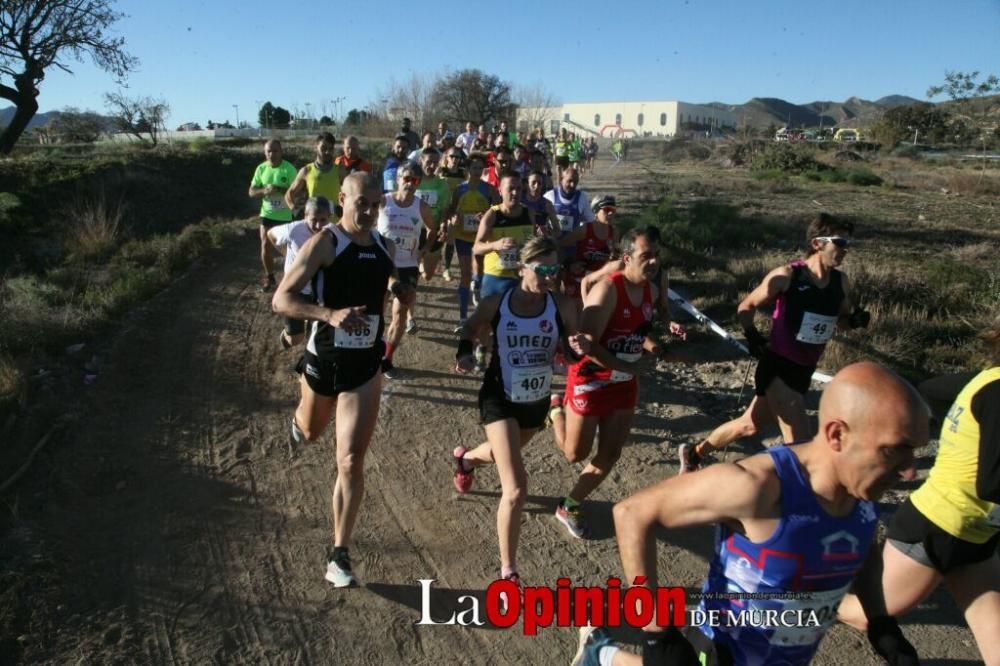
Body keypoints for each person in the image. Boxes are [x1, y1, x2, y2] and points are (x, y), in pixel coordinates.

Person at [573, 362, 928, 666]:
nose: (910, 471)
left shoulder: (863, 488)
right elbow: (632, 513)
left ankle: (598, 653)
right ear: (837, 434)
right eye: (896, 450)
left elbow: (860, 547)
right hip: (717, 650)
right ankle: (601, 653)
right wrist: (656, 633)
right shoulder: (758, 487)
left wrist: (881, 621)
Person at [271, 172, 412, 588]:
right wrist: (328, 315)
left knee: (350, 461)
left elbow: (386, 276)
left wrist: (400, 289)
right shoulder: (326, 243)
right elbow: (282, 298)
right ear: (343, 200)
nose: (367, 210)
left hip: (364, 368)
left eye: (374, 203)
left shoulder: (386, 245)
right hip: (323, 360)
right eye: (359, 202)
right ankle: (299, 422)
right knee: (312, 432)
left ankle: (340, 554)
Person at [838, 315, 1000, 665]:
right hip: (937, 527)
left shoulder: (987, 381)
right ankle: (797, 594)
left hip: (976, 535)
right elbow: (992, 483)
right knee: (863, 614)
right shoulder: (997, 390)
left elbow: (929, 389)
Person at [679, 213, 870, 474]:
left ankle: (693, 453)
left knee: (748, 425)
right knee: (801, 446)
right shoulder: (787, 276)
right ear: (817, 243)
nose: (845, 249)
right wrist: (753, 336)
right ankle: (781, 498)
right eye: (840, 242)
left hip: (804, 370)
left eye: (847, 243)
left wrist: (855, 320)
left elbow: (842, 321)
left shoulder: (841, 283)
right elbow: (746, 306)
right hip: (778, 368)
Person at [451, 236, 580, 602]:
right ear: (522, 268)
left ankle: (465, 459)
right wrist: (464, 353)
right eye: (542, 269)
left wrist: (573, 351)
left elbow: (572, 353)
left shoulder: (564, 306)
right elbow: (472, 328)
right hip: (499, 398)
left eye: (555, 269)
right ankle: (509, 572)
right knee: (517, 486)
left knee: (498, 453)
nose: (550, 276)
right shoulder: (498, 303)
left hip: (535, 402)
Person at [553, 227, 685, 538]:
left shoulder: (651, 290)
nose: (652, 261)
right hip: (592, 379)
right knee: (575, 454)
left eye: (656, 255)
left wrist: (657, 349)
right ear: (627, 258)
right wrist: (627, 365)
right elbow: (588, 345)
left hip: (625, 382)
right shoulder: (608, 290)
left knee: (610, 454)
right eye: (645, 256)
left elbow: (637, 333)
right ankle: (555, 411)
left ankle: (569, 504)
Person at [377, 163, 436, 378]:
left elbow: (433, 228)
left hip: (408, 266)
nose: (410, 184)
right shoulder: (384, 201)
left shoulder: (421, 207)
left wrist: (424, 249)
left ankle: (387, 358)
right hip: (381, 265)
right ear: (399, 178)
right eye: (407, 178)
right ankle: (369, 349)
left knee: (400, 314)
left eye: (415, 180)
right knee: (375, 311)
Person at [267, 196, 333, 348]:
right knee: (296, 339)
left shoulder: (332, 233)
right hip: (295, 290)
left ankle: (309, 365)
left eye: (323, 220)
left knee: (316, 337)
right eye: (313, 219)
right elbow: (271, 234)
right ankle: (286, 337)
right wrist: (285, 252)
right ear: (305, 216)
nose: (317, 225)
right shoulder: (294, 229)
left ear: (329, 217)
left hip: (319, 292)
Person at [446, 154, 500, 331]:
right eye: (473, 168)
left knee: (480, 277)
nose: (477, 171)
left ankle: (482, 313)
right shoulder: (460, 190)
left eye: (479, 168)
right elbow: (452, 211)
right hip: (462, 238)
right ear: (468, 170)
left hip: (482, 239)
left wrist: (486, 216)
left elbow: (499, 211)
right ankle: (462, 319)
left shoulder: (490, 190)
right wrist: (453, 219)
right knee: (465, 276)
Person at [249, 139, 298, 291]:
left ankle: (293, 277)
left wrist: (279, 189)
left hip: (284, 215)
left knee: (286, 249)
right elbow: (251, 191)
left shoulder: (288, 169)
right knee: (265, 244)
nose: (272, 154)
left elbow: (298, 191)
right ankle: (270, 277)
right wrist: (264, 191)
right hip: (267, 213)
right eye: (269, 151)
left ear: (281, 152)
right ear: (265, 153)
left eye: (275, 151)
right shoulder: (261, 169)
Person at [557, 193, 617, 306]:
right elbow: (559, 246)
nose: (610, 213)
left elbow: (614, 257)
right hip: (577, 282)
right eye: (607, 209)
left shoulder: (614, 233)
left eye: (613, 210)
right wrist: (568, 264)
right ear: (595, 211)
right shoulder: (584, 230)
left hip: (599, 282)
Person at [284, 132, 344, 217]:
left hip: (334, 225)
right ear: (316, 147)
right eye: (323, 148)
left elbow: (351, 194)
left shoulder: (340, 170)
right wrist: (296, 210)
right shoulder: (307, 171)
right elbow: (289, 194)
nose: (327, 152)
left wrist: (344, 208)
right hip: (313, 226)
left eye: (330, 149)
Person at [413, 149, 451, 283]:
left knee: (428, 276)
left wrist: (443, 224)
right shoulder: (413, 181)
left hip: (433, 232)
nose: (432, 166)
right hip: (413, 231)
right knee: (411, 275)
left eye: (436, 162)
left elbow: (444, 209)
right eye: (429, 162)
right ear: (420, 161)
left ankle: (422, 264)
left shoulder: (442, 184)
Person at [543, 167, 595, 260]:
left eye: (575, 182)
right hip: (552, 247)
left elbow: (591, 221)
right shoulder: (550, 196)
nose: (572, 185)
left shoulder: (582, 197)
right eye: (569, 181)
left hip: (572, 247)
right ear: (561, 179)